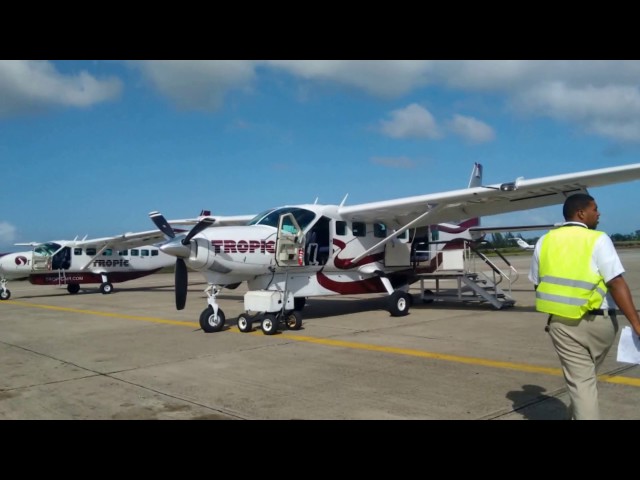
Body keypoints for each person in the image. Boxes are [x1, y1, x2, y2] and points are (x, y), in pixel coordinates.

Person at [529, 193, 640, 420]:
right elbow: (616, 282)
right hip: (601, 324)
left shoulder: (545, 241)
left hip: (563, 324)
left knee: (582, 383)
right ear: (581, 213)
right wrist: (636, 323)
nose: (598, 213)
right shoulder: (598, 239)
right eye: (595, 209)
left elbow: (537, 283)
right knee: (584, 382)